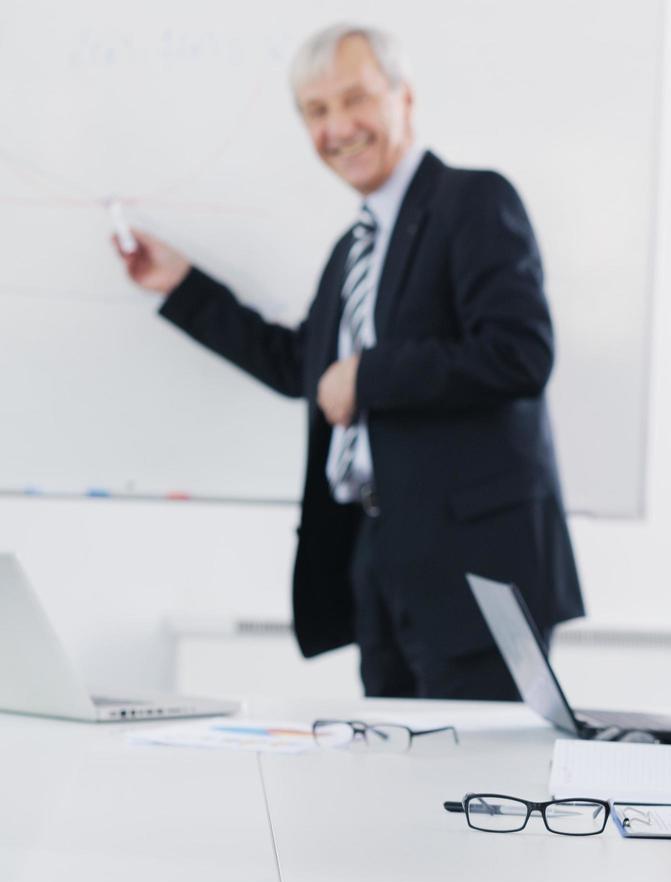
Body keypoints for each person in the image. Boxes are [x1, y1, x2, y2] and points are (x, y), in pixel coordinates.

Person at [113, 24, 583, 699]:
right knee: (388, 789)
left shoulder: (473, 201)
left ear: (404, 99)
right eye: (316, 111)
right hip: (379, 558)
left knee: (475, 796)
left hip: (477, 574)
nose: (338, 126)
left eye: (355, 99)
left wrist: (368, 374)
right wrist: (181, 285)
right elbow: (300, 366)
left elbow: (520, 354)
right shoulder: (351, 249)